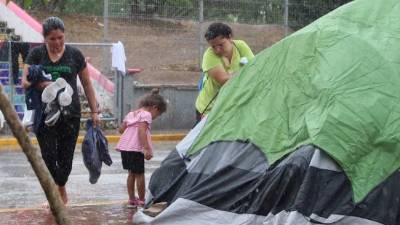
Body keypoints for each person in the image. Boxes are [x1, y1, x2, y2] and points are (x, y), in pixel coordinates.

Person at [21, 17, 100, 206]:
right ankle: (58, 192)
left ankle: (60, 188)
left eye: (60, 38)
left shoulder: (75, 55)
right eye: (52, 39)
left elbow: (87, 84)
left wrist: (95, 111)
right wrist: (45, 84)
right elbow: (24, 82)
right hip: (44, 114)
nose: (57, 43)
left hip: (70, 114)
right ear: (45, 39)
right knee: (48, 156)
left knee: (65, 160)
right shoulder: (36, 54)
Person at [116, 88, 167, 208]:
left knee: (131, 173)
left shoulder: (131, 114)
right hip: (135, 148)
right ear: (154, 107)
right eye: (158, 114)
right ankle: (142, 200)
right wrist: (146, 148)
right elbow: (141, 130)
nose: (156, 117)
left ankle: (132, 200)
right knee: (140, 174)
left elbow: (121, 129)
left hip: (125, 147)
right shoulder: (147, 114)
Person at [195, 22, 255, 121]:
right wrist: (245, 72)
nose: (217, 50)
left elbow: (254, 68)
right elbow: (224, 80)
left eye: (221, 44)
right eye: (213, 46)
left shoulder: (241, 46)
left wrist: (233, 75)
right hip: (209, 109)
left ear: (230, 37)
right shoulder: (209, 56)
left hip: (231, 107)